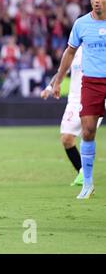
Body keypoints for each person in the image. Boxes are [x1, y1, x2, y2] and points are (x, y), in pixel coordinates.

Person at [52, 0, 106, 199]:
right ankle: (88, 182)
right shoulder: (81, 24)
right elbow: (69, 52)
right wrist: (57, 81)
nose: (97, 0)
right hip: (91, 83)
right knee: (88, 130)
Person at [41, 47, 103, 187]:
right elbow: (61, 71)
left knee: (87, 135)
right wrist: (50, 88)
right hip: (74, 101)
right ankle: (82, 173)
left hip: (94, 98)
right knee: (66, 139)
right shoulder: (75, 50)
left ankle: (86, 178)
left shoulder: (100, 47)